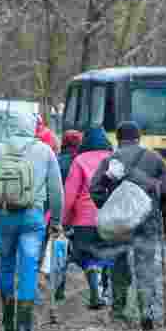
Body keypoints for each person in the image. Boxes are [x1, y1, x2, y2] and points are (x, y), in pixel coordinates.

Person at [0, 110, 64, 331]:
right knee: (28, 266)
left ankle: (7, 320)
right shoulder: (44, 150)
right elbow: (57, 191)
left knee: (6, 264)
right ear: (32, 126)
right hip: (33, 217)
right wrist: (56, 220)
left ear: (10, 126)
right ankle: (24, 327)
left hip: (6, 215)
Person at [90, 121, 166, 330]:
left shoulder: (111, 159)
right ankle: (146, 310)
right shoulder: (154, 158)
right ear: (139, 138)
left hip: (119, 223)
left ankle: (119, 311)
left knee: (119, 264)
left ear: (118, 139)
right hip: (147, 220)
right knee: (145, 266)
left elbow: (94, 189)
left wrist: (107, 207)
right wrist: (156, 205)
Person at [61, 127, 117, 309]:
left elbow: (70, 194)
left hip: (85, 218)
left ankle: (95, 284)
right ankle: (104, 290)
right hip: (111, 217)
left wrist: (64, 219)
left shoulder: (79, 160)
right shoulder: (114, 159)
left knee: (86, 255)